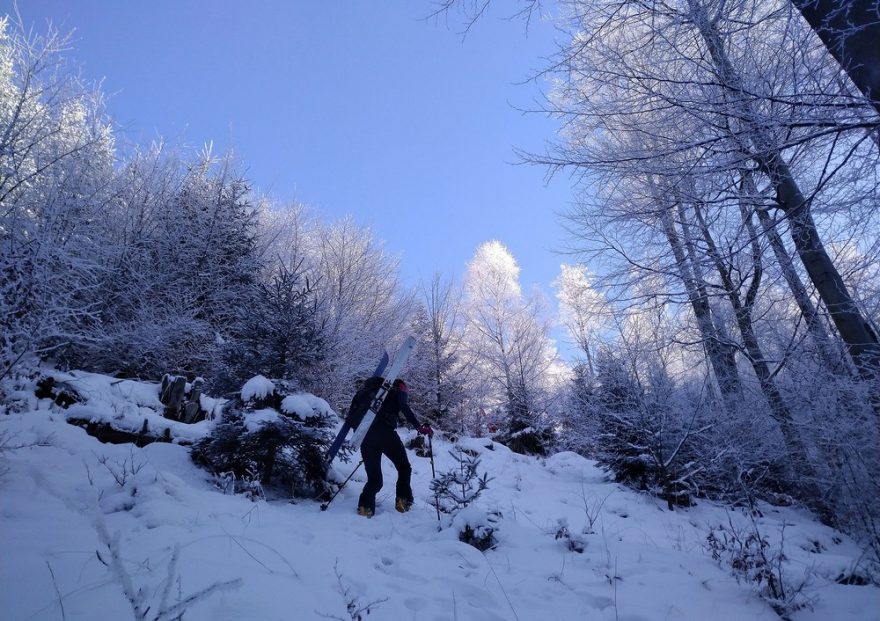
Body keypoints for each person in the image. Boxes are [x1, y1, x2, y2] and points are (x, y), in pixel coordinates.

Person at [357, 378, 433, 517]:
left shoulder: (368, 393)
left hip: (366, 437)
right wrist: (419, 427)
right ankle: (402, 502)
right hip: (386, 434)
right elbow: (404, 406)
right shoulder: (397, 389)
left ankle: (364, 507)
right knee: (404, 467)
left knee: (374, 479)